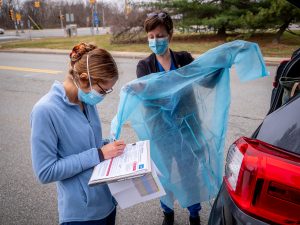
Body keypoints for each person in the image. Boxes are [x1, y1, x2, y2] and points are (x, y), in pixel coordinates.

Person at [31, 43, 126, 225]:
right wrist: (99, 154)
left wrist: (111, 146)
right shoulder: (45, 111)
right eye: (102, 91)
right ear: (84, 78)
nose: (103, 96)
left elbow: (91, 144)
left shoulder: (87, 101)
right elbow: (45, 172)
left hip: (107, 202)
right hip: (81, 214)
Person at [136, 11, 201, 225]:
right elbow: (148, 99)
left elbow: (203, 79)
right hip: (161, 132)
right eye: (151, 37)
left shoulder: (184, 59)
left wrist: (219, 67)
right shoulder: (144, 66)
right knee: (163, 174)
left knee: (189, 173)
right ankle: (168, 212)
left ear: (170, 35)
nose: (155, 40)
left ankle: (194, 213)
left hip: (187, 129)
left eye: (160, 35)